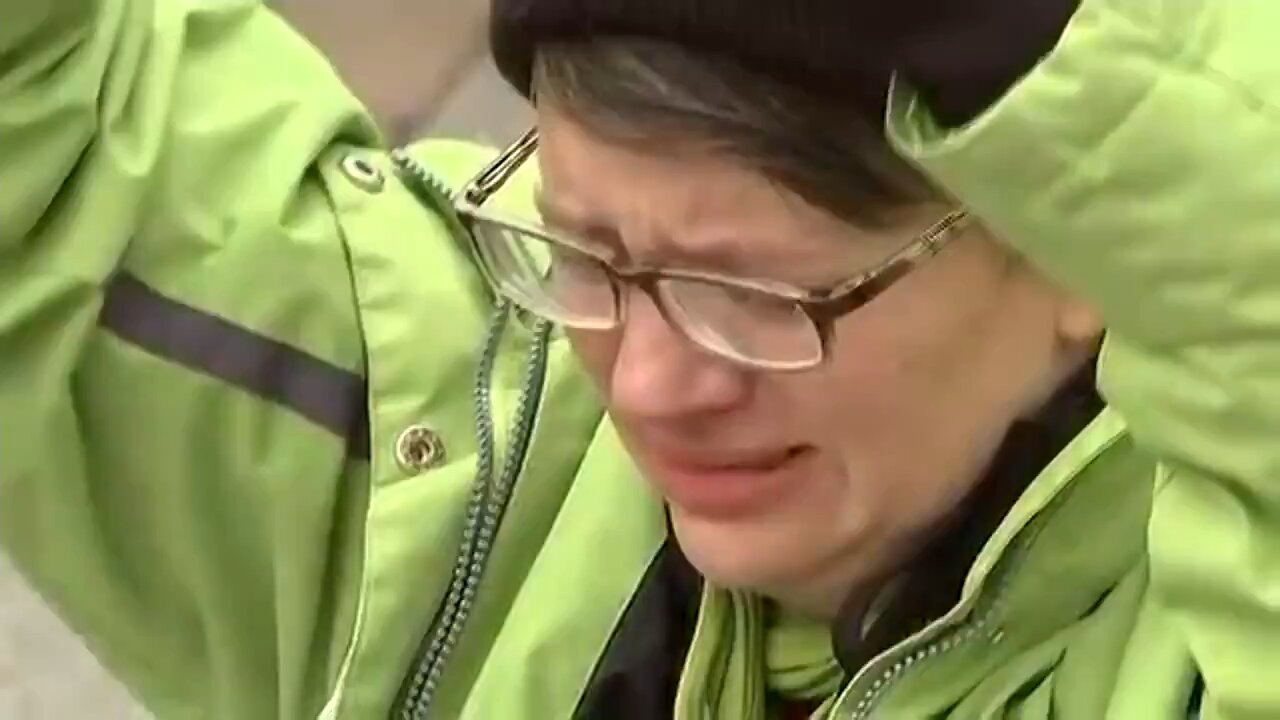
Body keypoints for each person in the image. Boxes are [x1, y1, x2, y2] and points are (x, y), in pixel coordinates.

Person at [2, 0, 1276, 717]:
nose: (653, 387)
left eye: (758, 296)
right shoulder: (447, 435)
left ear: (1072, 250)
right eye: (580, 249)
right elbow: (52, 118)